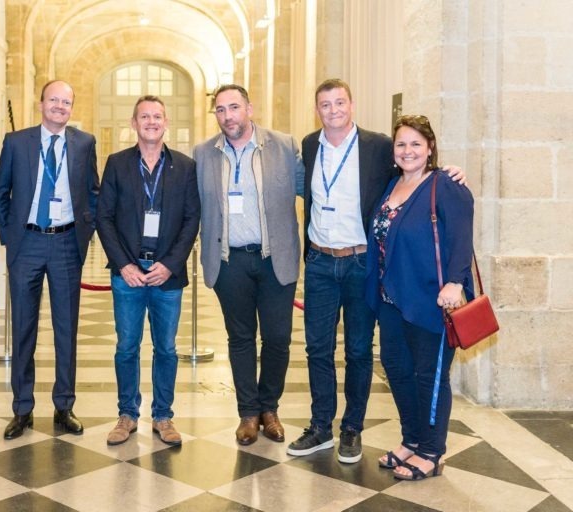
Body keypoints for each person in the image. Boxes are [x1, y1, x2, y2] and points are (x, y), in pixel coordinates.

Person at [289, 78, 464, 463]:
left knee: (357, 349)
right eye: (324, 104)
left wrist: (449, 171)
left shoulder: (379, 146)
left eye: (339, 103)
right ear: (316, 109)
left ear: (351, 105)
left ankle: (352, 428)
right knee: (317, 348)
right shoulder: (309, 145)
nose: (332, 110)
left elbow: (415, 169)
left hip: (361, 262)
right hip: (319, 261)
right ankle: (320, 427)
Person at [194, 84, 303, 446]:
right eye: (221, 110)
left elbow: (318, 187)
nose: (228, 116)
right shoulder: (203, 154)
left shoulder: (284, 146)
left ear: (249, 109)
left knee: (277, 338)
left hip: (275, 259)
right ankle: (248, 413)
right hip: (230, 261)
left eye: (234, 108)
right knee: (240, 339)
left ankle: (269, 407)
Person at [366, 115, 474, 480]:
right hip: (391, 300)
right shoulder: (392, 185)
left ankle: (431, 450)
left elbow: (462, 237)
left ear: (430, 148)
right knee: (397, 371)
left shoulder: (444, 185)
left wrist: (456, 283)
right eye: (401, 144)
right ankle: (411, 439)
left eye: (415, 143)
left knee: (430, 375)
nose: (407, 150)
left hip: (431, 299)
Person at [0, 80, 99, 439]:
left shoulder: (84, 143)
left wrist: (85, 231)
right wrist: (12, 239)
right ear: (41, 104)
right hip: (27, 243)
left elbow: (93, 192)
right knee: (23, 328)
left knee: (66, 329)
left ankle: (64, 406)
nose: (59, 106)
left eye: (66, 102)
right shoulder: (16, 142)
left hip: (67, 242)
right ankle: (22, 409)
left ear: (71, 107)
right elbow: (1, 192)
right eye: (53, 99)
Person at [96, 95, 200, 446]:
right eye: (145, 116)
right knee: (127, 346)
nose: (151, 121)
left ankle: (163, 417)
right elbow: (104, 217)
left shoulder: (185, 167)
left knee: (166, 348)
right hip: (128, 272)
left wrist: (170, 265)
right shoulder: (116, 163)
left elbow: (191, 219)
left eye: (157, 116)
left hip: (166, 275)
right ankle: (126, 415)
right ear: (134, 123)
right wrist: (123, 264)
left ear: (166, 122)